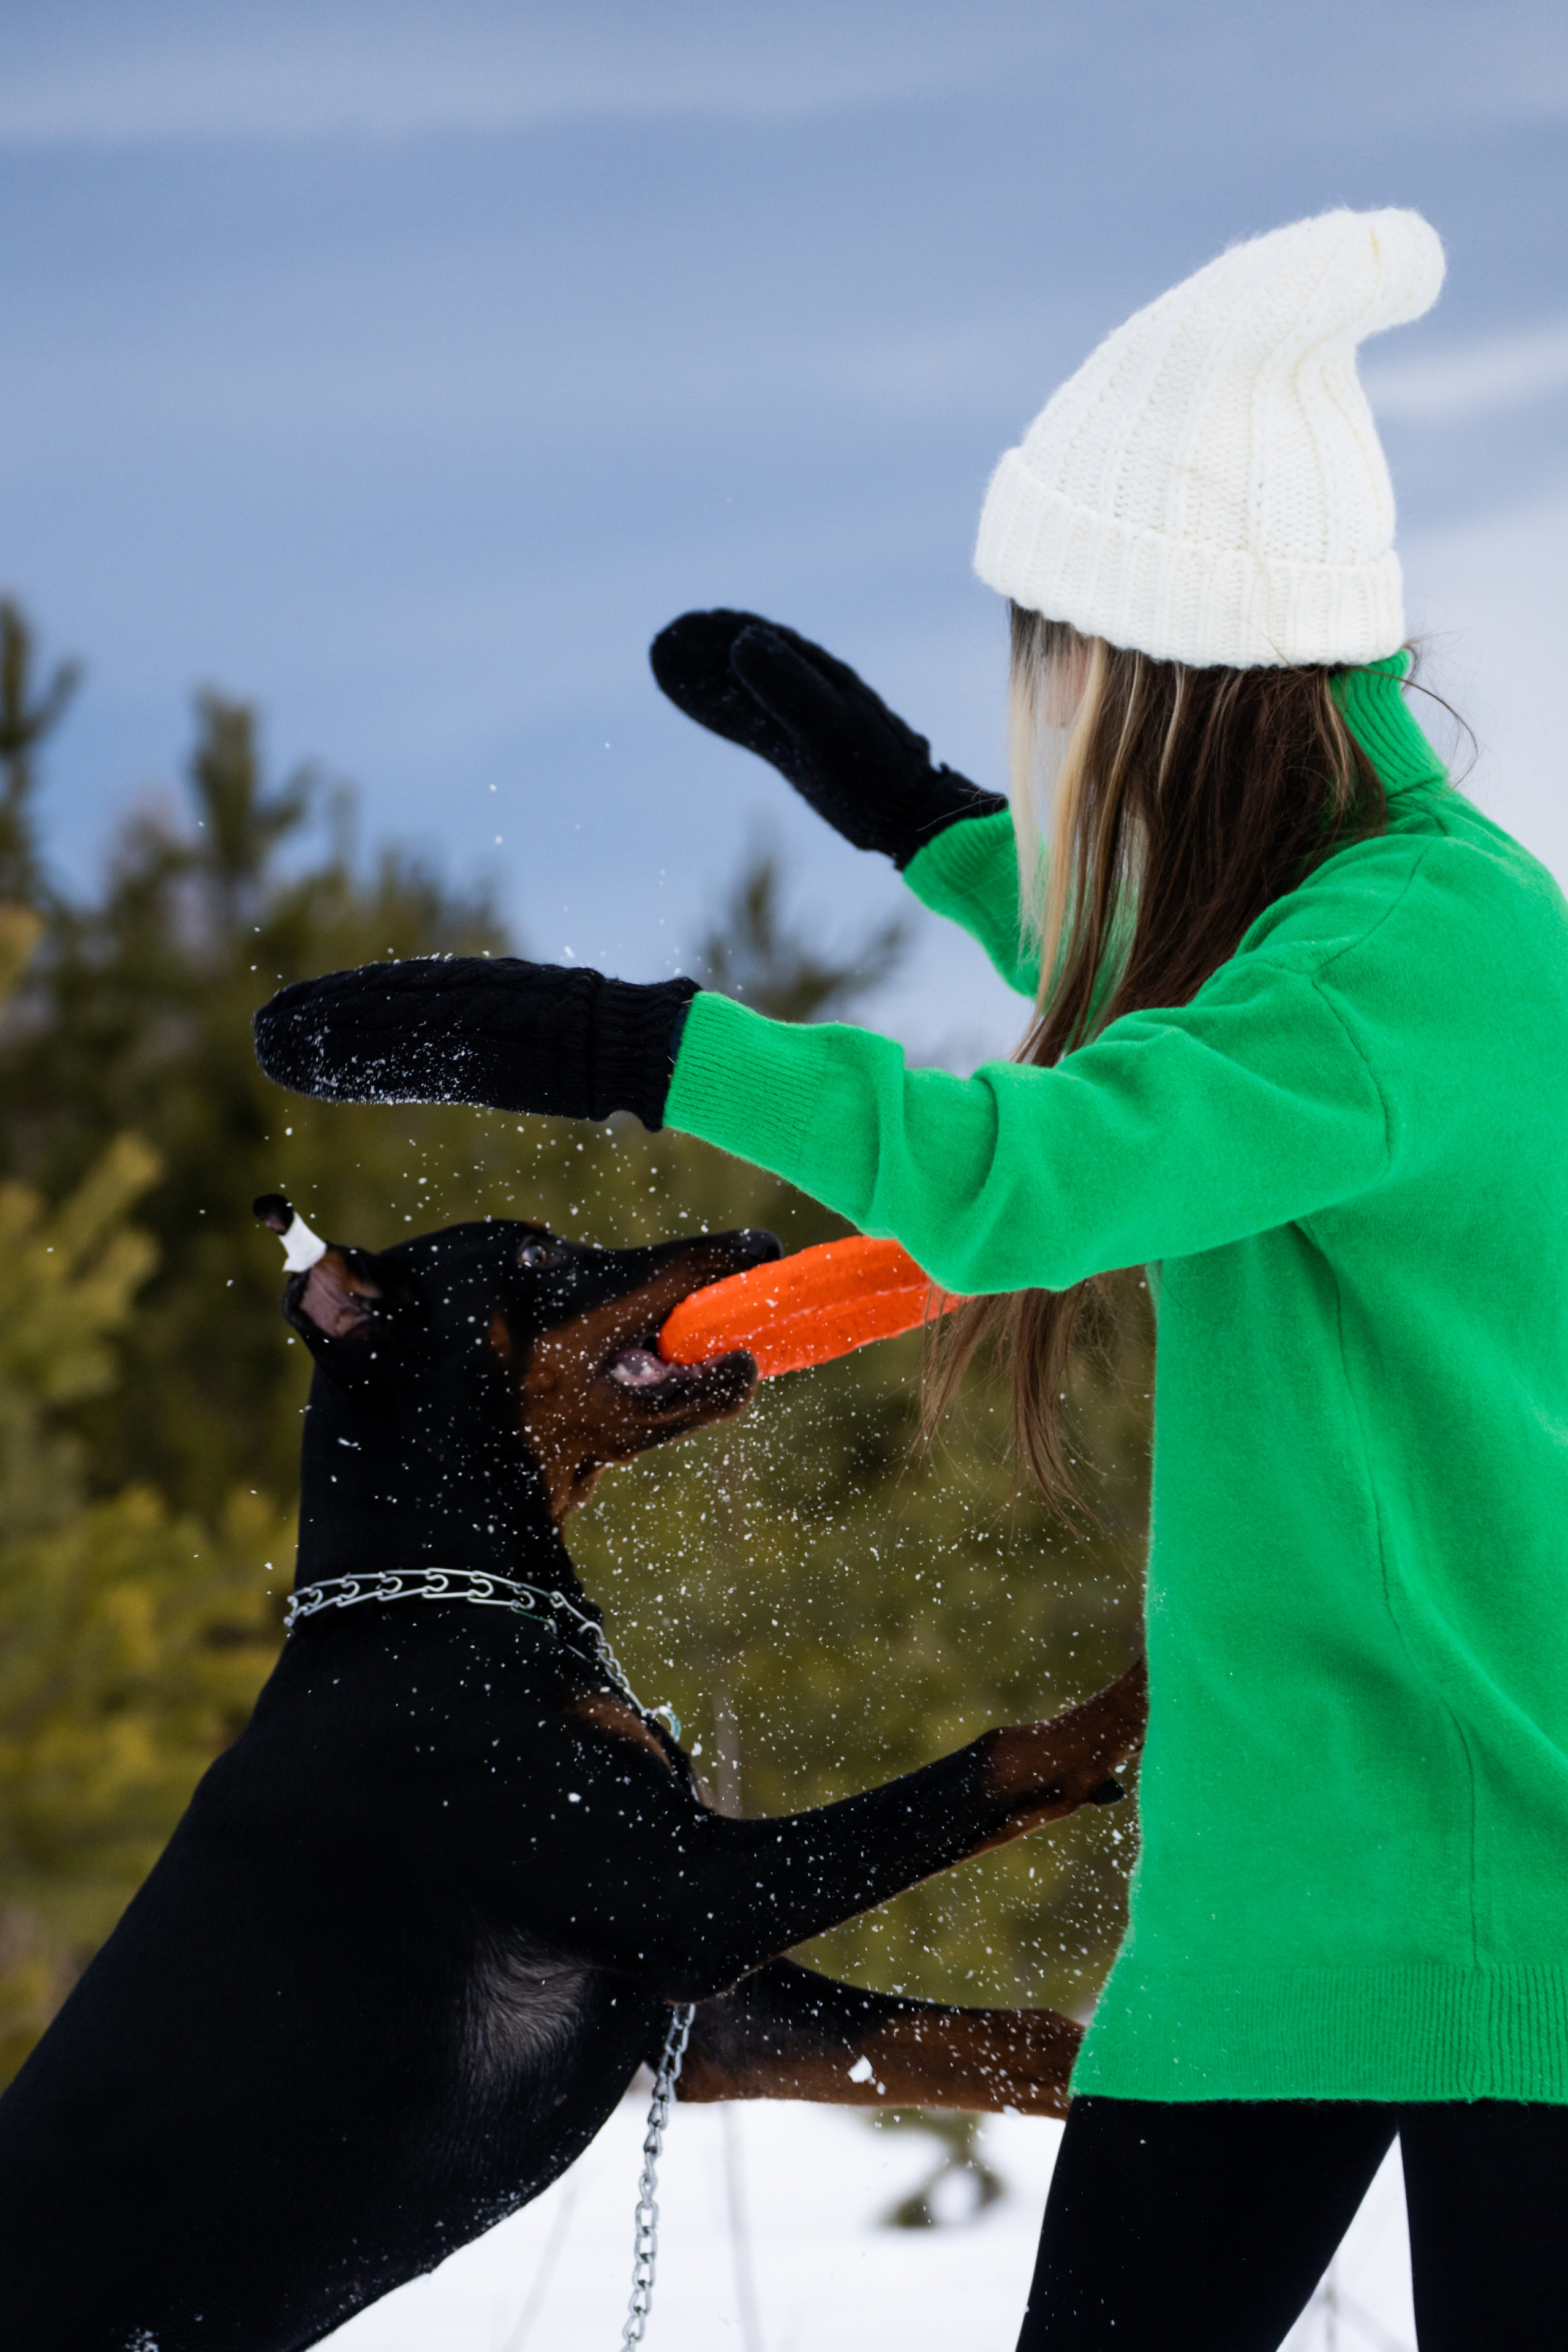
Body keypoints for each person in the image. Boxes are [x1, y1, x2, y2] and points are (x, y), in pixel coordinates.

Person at [254, 209, 1568, 2349]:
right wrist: (906, 813)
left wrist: (623, 1047)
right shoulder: (1325, 929)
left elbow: (1034, 1170)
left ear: (1177, 667)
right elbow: (1162, 998)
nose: (1041, 694)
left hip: (1520, 1878)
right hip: (1282, 1877)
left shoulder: (1423, 959)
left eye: (1059, 646)